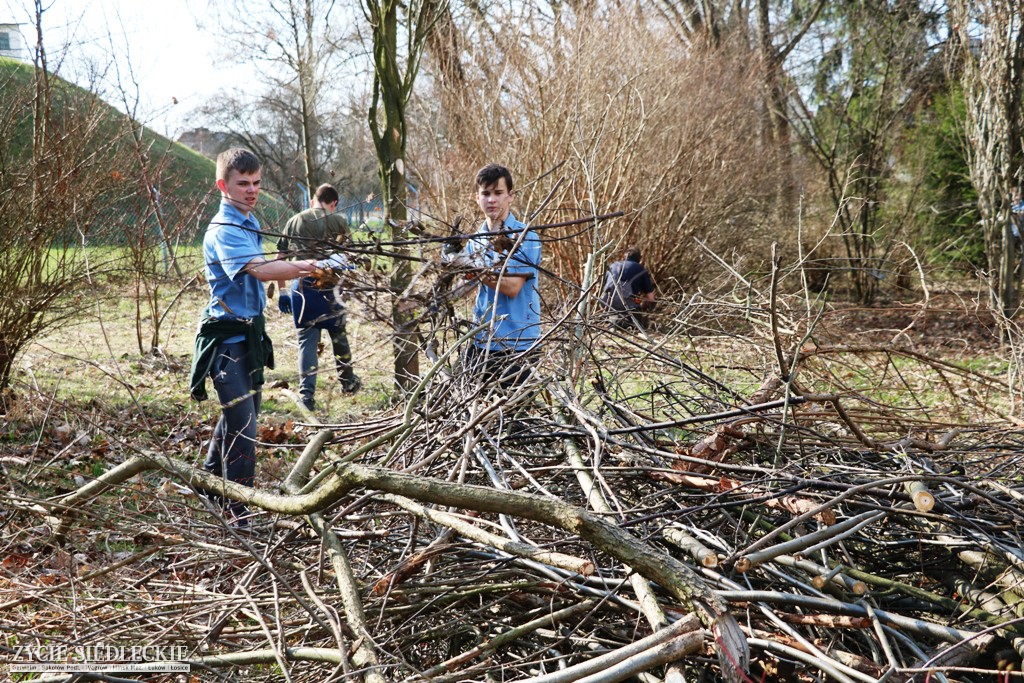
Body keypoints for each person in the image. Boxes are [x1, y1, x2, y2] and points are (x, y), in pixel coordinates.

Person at [188, 148, 337, 528]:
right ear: (223, 185)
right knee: (244, 428)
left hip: (249, 337)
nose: (252, 190)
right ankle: (239, 514)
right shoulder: (225, 229)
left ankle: (206, 480)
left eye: (256, 183)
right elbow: (258, 268)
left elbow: (266, 264)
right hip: (226, 342)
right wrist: (307, 265)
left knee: (242, 415)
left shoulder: (248, 222)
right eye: (243, 184)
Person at [276, 184, 361, 411]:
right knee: (339, 337)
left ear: (314, 199)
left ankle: (306, 396)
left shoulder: (294, 221)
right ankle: (348, 383)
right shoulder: (338, 221)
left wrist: (282, 290)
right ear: (333, 203)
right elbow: (350, 257)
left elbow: (280, 258)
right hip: (332, 289)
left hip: (303, 289)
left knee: (306, 343)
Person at [460, 164, 542, 388]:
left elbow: (513, 287)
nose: (491, 200)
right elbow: (465, 285)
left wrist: (475, 270)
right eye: (485, 194)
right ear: (477, 198)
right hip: (482, 340)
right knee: (473, 414)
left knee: (515, 418)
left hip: (518, 344)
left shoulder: (525, 236)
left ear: (510, 196)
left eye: (498, 193)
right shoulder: (475, 240)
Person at [600, 247, 655, 329]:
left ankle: (612, 321)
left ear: (624, 257)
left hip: (606, 303)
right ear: (639, 258)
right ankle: (625, 323)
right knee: (637, 305)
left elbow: (602, 287)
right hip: (628, 305)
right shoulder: (640, 269)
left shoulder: (613, 265)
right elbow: (651, 298)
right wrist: (641, 304)